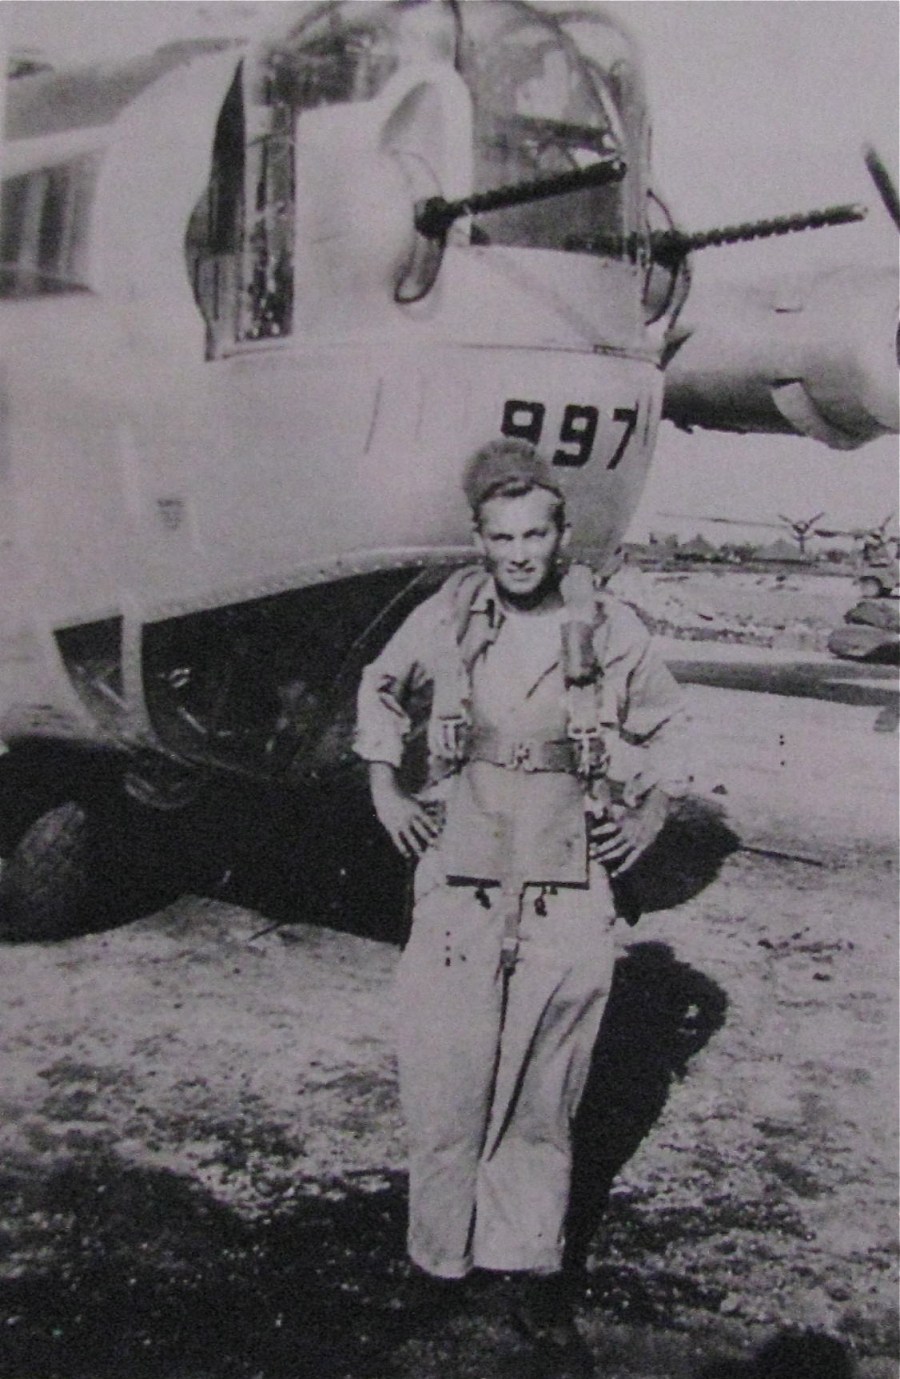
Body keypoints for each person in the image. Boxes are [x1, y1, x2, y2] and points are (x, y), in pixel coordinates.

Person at [354, 438, 686, 1375]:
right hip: (460, 881)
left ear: (560, 534)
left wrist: (650, 815)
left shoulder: (607, 627)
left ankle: (528, 1266)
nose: (519, 554)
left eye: (535, 535)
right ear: (479, 539)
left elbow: (668, 724)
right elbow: (380, 686)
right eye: (501, 538)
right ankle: (436, 1260)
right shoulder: (446, 616)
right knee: (444, 1074)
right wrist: (385, 787)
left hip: (565, 882)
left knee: (546, 1084)